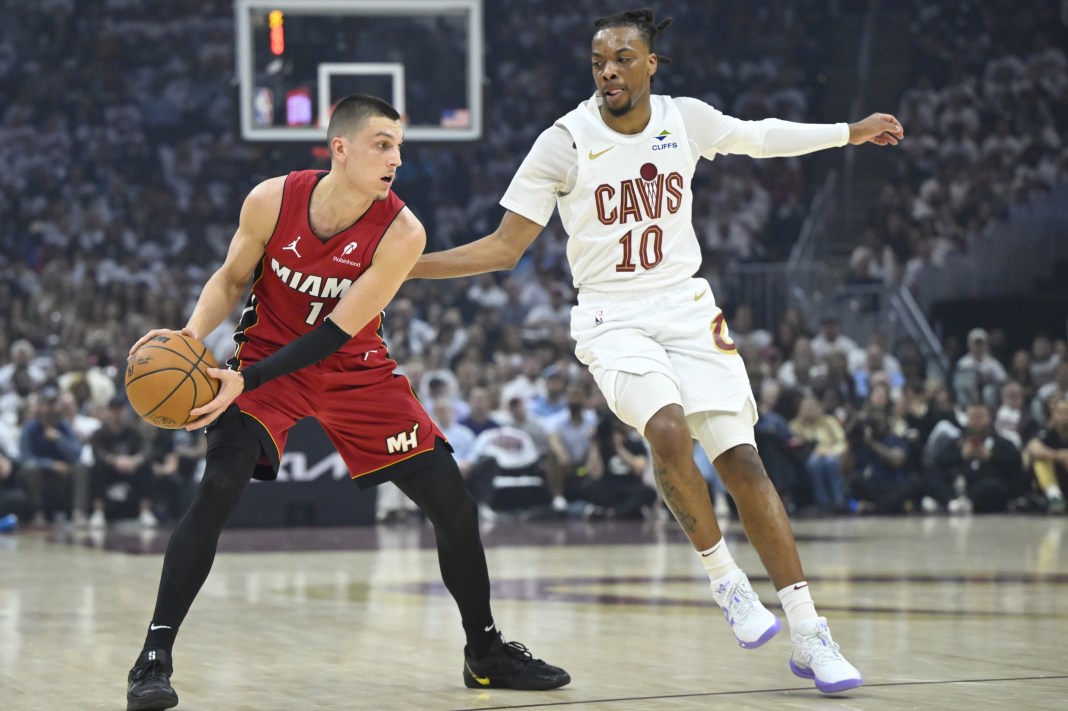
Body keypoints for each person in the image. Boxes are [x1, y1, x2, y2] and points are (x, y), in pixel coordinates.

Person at [409, 8, 905, 693]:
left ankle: (810, 629)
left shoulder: (685, 118)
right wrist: (407, 266)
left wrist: (850, 132)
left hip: (687, 307)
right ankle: (726, 581)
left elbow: (759, 138)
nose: (607, 70)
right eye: (597, 62)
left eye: (620, 58)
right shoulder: (564, 141)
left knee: (745, 461)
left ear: (650, 65)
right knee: (667, 427)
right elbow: (503, 247)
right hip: (613, 317)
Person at [123, 95, 569, 711]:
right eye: (382, 144)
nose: (396, 158)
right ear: (341, 148)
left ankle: (485, 653)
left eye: (400, 147)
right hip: (268, 361)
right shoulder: (271, 199)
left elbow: (335, 332)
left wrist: (241, 384)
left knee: (455, 505)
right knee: (218, 487)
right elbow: (230, 278)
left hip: (353, 368)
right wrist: (192, 341)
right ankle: (153, 657)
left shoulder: (403, 230)